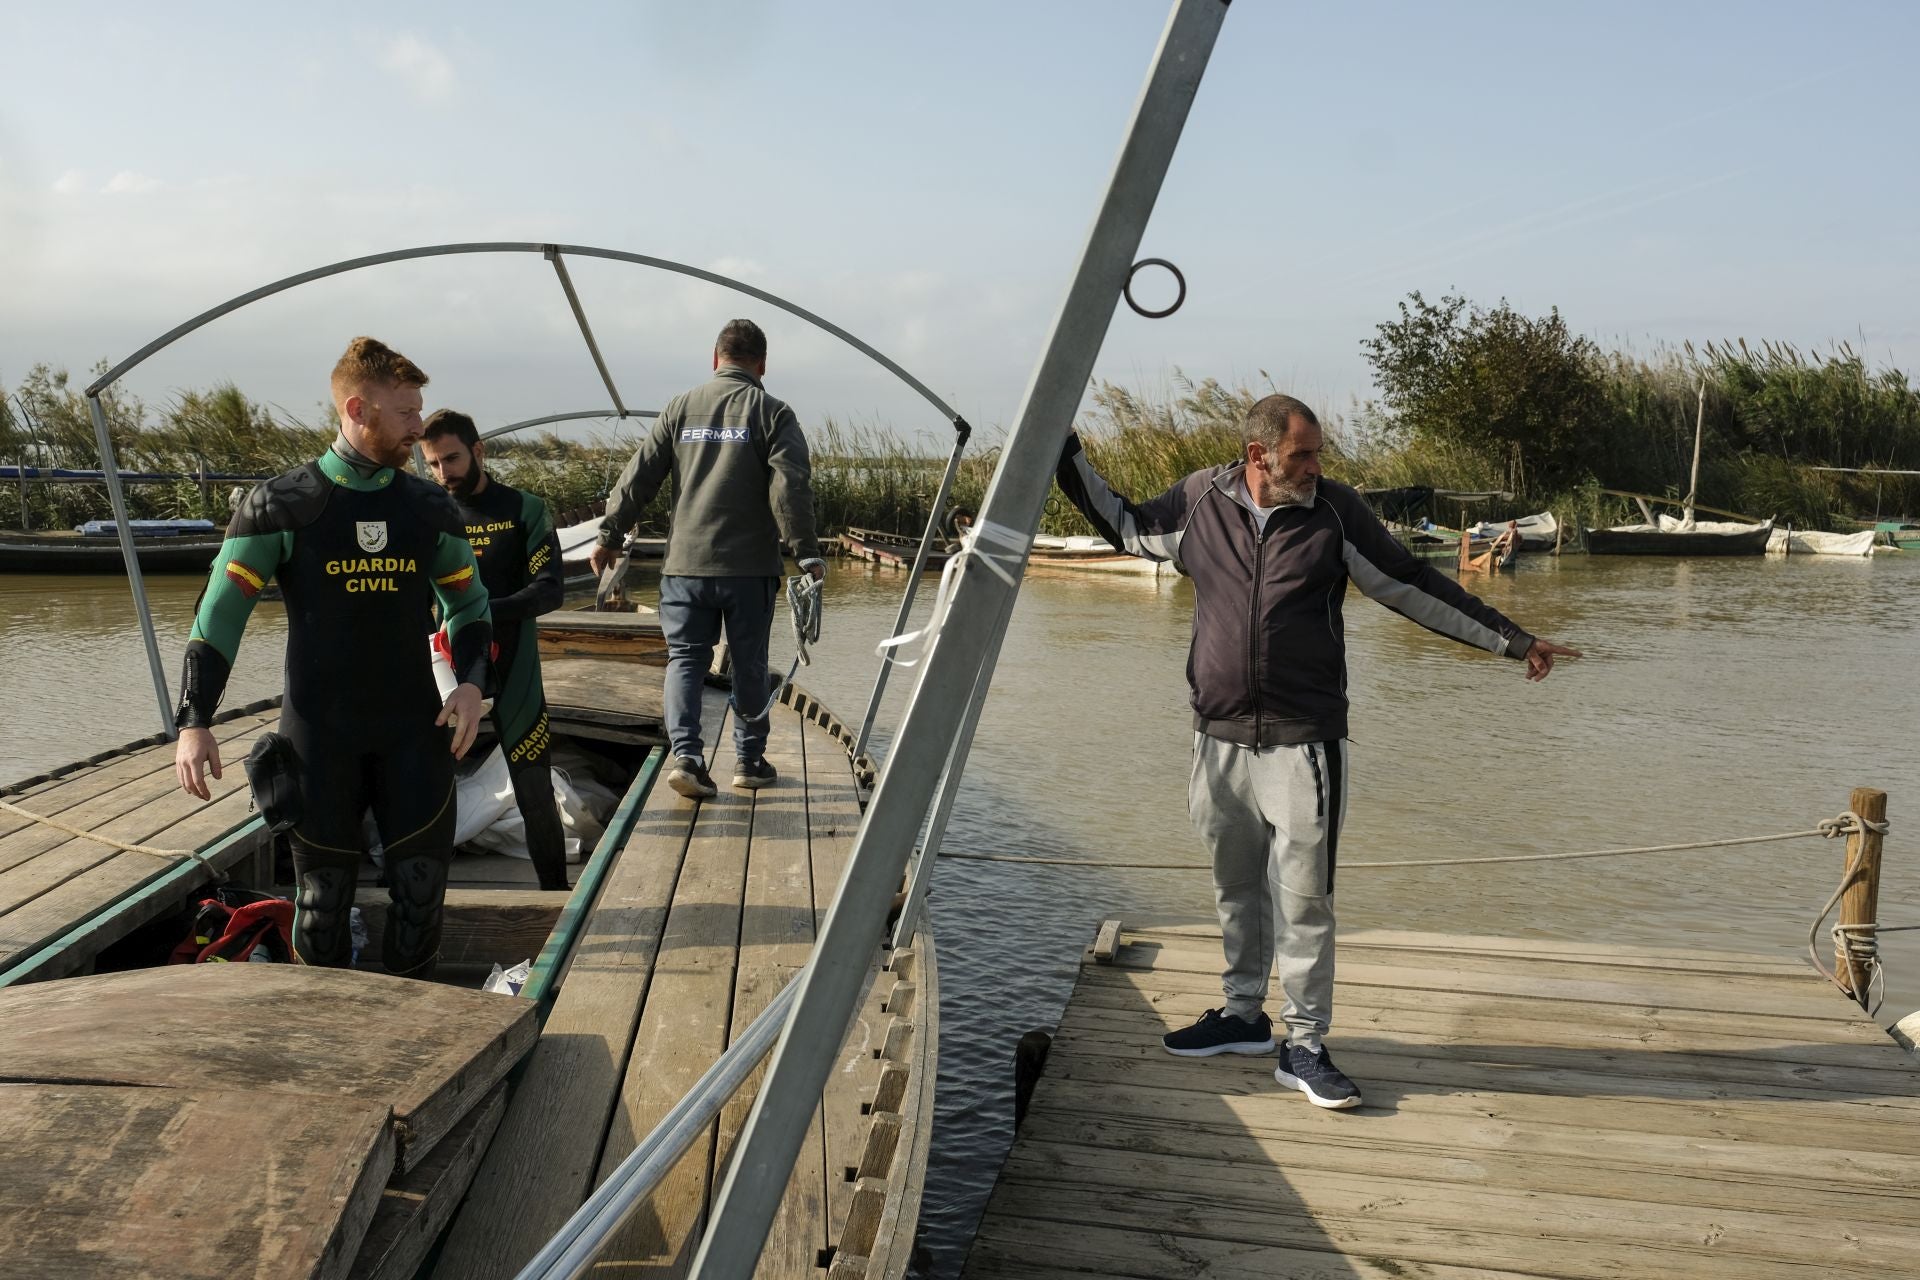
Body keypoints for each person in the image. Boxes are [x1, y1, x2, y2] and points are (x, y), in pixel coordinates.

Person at [1055, 394, 1580, 1110]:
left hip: (1303, 747)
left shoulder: (1334, 512)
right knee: (1235, 890)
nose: (1315, 466)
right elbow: (1123, 524)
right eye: (1302, 454)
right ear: (1257, 456)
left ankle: (1303, 1046)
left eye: (1317, 452)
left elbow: (1410, 583)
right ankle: (1242, 1017)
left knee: (1305, 903)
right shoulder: (1200, 503)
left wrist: (1513, 639)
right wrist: (1064, 452)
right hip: (1217, 742)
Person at [173, 337, 492, 978]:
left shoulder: (430, 508)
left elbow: (471, 608)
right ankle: (321, 1030)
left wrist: (469, 686)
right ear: (357, 407)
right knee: (319, 905)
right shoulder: (278, 506)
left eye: (419, 411)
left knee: (421, 894)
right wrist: (194, 720)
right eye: (405, 413)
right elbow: (220, 617)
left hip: (413, 732)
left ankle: (415, 1037)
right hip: (320, 737)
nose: (418, 427)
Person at [590, 319, 825, 799]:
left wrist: (609, 535)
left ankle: (689, 759)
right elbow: (790, 488)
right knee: (749, 665)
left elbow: (638, 478)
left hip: (684, 568)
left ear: (714, 359)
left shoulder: (679, 408)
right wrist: (806, 553)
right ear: (762, 364)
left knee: (685, 660)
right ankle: (750, 762)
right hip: (748, 570)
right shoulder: (773, 413)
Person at [419, 409, 571, 891]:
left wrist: (476, 612)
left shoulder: (525, 508)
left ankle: (555, 897)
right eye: (433, 464)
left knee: (533, 788)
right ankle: (420, 899)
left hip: (515, 665)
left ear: (479, 451)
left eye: (453, 459)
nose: (445, 473)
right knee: (426, 784)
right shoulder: (428, 512)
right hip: (448, 663)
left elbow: (549, 591)